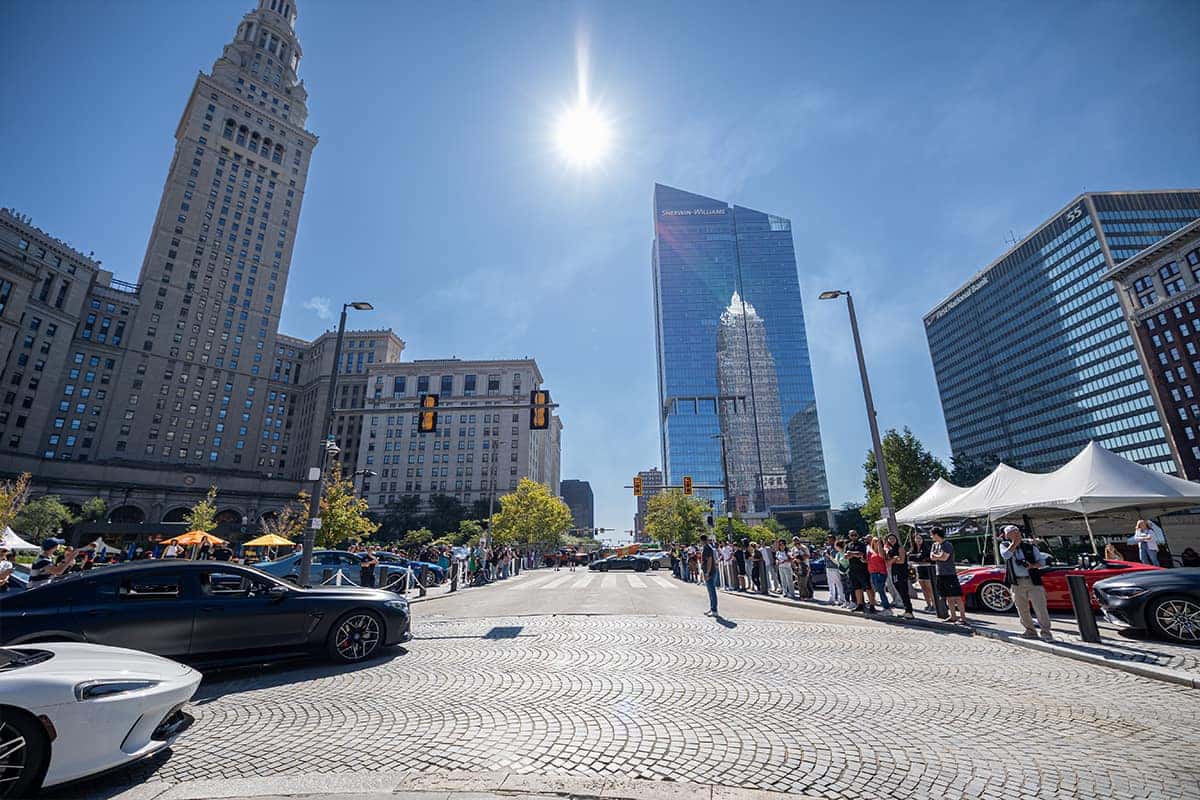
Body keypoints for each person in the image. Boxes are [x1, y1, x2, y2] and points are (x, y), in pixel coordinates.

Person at [999, 525, 1053, 641]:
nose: (1015, 535)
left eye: (1016, 532)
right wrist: (1014, 543)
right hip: (1016, 583)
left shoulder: (1029, 547)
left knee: (1040, 608)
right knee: (1022, 609)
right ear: (1007, 535)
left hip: (1032, 581)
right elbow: (1006, 555)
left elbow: (1042, 561)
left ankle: (1046, 633)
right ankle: (1030, 631)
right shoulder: (1004, 546)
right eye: (1012, 533)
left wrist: (1032, 566)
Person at [930, 528, 967, 625]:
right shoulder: (935, 545)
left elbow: (944, 557)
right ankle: (953, 616)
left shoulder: (947, 545)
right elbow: (931, 556)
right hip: (940, 574)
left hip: (949, 574)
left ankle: (963, 618)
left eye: (932, 535)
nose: (931, 537)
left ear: (937, 535)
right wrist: (938, 556)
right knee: (947, 597)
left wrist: (937, 556)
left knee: (956, 596)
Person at [885, 533, 914, 619]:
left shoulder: (900, 548)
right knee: (899, 590)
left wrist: (893, 560)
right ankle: (906, 610)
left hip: (902, 572)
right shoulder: (890, 550)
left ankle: (909, 611)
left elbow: (901, 561)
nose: (891, 540)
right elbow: (888, 563)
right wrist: (894, 559)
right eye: (889, 538)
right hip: (894, 572)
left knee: (904, 591)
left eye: (893, 538)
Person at [844, 531, 873, 612]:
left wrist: (851, 554)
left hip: (862, 569)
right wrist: (853, 554)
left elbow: (861, 554)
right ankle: (859, 604)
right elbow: (846, 556)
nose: (854, 536)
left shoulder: (861, 544)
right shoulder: (848, 545)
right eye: (852, 535)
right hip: (853, 569)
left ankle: (872, 604)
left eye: (855, 535)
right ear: (849, 536)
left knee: (868, 587)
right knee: (856, 588)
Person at [908, 532, 935, 612]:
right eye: (916, 538)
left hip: (928, 570)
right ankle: (928, 604)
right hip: (919, 570)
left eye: (920, 538)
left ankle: (934, 605)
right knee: (923, 589)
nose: (918, 540)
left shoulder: (927, 548)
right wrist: (915, 558)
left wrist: (916, 558)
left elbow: (921, 558)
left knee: (930, 589)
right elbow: (910, 557)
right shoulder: (913, 549)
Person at [867, 536, 892, 612]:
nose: (876, 542)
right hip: (873, 573)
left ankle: (887, 607)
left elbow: (882, 556)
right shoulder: (870, 551)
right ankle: (885, 606)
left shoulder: (883, 550)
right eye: (874, 541)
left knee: (881, 590)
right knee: (878, 590)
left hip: (880, 573)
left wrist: (879, 545)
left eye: (877, 541)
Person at [823, 535, 845, 607]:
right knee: (830, 584)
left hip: (835, 568)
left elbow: (836, 558)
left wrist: (829, 555)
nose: (829, 541)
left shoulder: (836, 548)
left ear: (834, 539)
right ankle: (832, 599)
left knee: (838, 584)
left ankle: (841, 599)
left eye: (831, 539)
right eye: (828, 539)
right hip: (828, 567)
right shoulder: (828, 548)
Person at [701, 534, 719, 617]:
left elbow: (709, 560)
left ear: (702, 541)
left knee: (712, 591)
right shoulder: (709, 547)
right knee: (710, 592)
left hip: (710, 572)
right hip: (711, 571)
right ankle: (712, 608)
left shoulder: (706, 548)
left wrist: (707, 573)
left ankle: (714, 610)